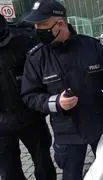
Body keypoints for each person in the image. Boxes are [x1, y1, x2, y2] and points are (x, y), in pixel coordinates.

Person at [20, 0, 103, 179]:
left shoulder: (91, 46)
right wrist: (56, 102)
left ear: (60, 23)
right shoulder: (36, 58)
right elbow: (30, 95)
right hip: (66, 134)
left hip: (100, 126)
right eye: (36, 25)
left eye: (42, 24)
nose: (37, 29)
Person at [0, 14, 56, 180]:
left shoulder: (25, 38)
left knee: (43, 166)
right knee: (9, 172)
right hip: (1, 125)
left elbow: (46, 71)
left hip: (31, 116)